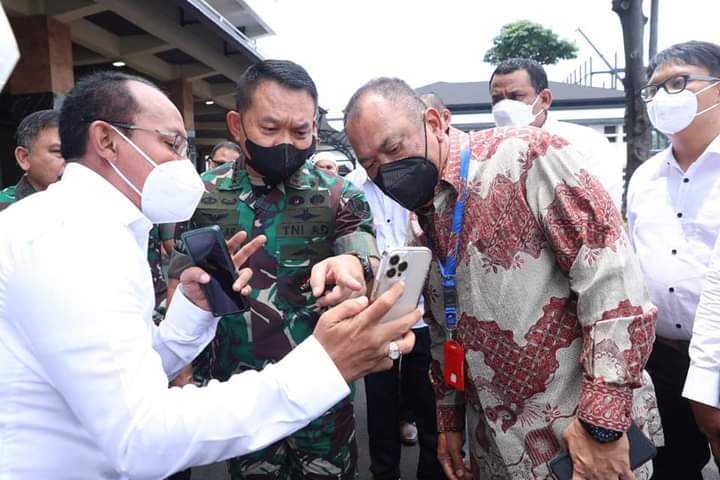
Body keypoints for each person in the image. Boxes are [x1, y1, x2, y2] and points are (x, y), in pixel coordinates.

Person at [0, 70, 418, 480]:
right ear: (107, 140)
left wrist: (194, 311)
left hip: (302, 406)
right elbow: (140, 437)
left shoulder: (98, 231)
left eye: (301, 130)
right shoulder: (68, 241)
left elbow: (131, 363)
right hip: (240, 391)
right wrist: (323, 367)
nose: (182, 163)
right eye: (172, 143)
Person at [344, 77, 661, 480]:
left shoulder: (527, 156)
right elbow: (444, 330)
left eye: (393, 148)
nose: (386, 171)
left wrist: (602, 425)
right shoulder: (423, 218)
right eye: (370, 164)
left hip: (579, 440)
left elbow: (614, 283)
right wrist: (449, 422)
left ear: (434, 122)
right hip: (495, 448)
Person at [168, 60, 381, 480]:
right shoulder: (200, 196)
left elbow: (365, 258)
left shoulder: (340, 194)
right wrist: (181, 371)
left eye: (301, 131)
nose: (286, 141)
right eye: (269, 129)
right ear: (236, 124)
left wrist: (357, 268)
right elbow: (181, 277)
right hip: (240, 395)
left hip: (322, 394)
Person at [627, 40, 720, 480]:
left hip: (718, 355)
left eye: (679, 82)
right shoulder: (645, 178)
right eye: (655, 89)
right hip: (661, 359)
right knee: (671, 467)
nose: (665, 97)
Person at [346, 159, 446, 480]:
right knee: (380, 407)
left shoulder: (418, 181)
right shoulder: (349, 188)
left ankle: (431, 472)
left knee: (429, 405)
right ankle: (384, 473)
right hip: (374, 316)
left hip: (422, 313)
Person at [489, 58, 624, 210]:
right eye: (497, 99)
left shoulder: (585, 143)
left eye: (516, 97)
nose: (504, 107)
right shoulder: (488, 152)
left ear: (545, 99)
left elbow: (602, 209)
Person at [0, 109, 63, 211]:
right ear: (23, 157)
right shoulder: (4, 208)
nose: (72, 161)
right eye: (58, 151)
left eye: (78, 151)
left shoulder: (90, 201)